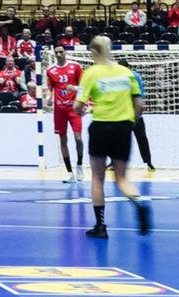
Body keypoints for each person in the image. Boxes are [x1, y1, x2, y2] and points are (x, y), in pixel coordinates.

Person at [74, 35, 151, 239]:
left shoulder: (90, 73)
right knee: (122, 178)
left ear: (93, 52)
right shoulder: (126, 72)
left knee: (97, 178)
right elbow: (140, 105)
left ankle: (101, 226)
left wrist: (82, 107)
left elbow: (77, 105)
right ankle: (138, 203)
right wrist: (131, 123)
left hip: (100, 127)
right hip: (123, 128)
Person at [44, 43, 85, 182]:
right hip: (59, 109)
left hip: (74, 108)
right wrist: (49, 98)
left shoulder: (75, 66)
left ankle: (79, 165)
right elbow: (50, 87)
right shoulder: (50, 69)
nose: (59, 54)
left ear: (65, 52)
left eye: (61, 52)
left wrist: (75, 89)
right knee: (62, 139)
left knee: (78, 138)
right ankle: (69, 172)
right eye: (57, 52)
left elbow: (85, 87)